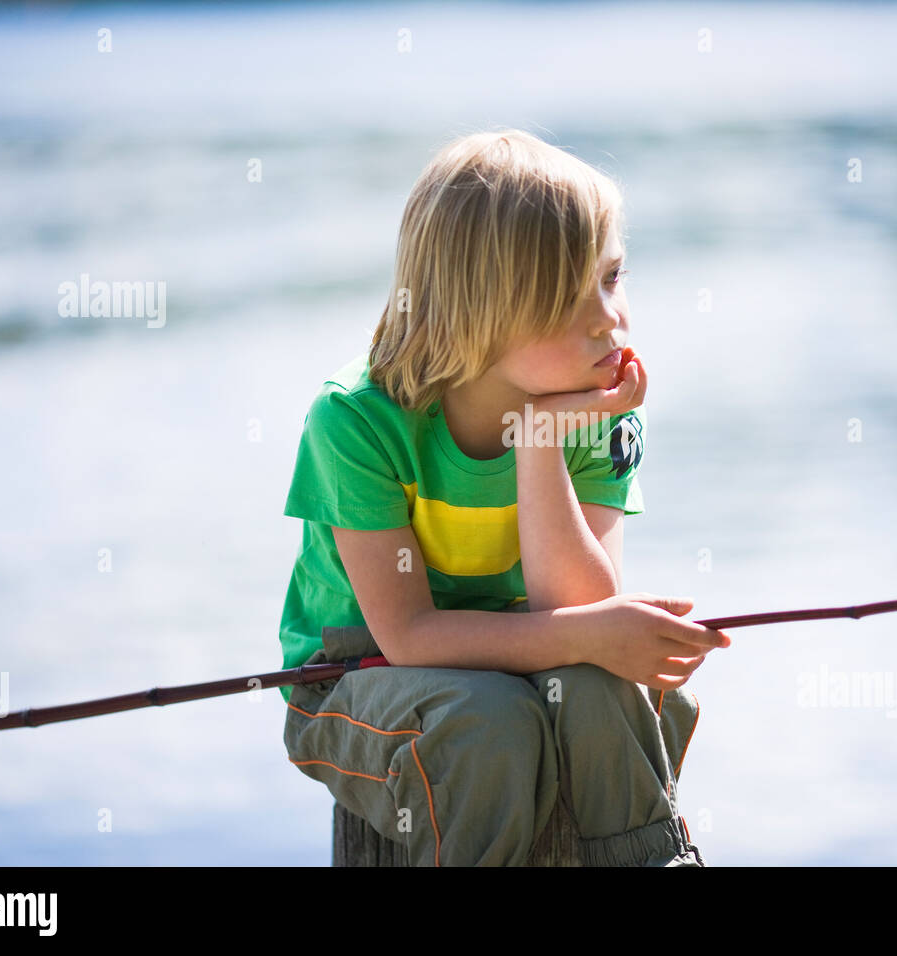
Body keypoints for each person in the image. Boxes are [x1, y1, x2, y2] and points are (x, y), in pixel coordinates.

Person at [278, 128, 731, 866]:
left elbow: (578, 604)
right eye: (566, 299)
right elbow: (411, 638)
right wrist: (585, 634)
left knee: (601, 688)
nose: (609, 320)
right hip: (356, 678)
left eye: (612, 278)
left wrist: (540, 438)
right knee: (487, 723)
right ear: (476, 310)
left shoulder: (591, 410)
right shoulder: (356, 422)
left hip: (525, 645)